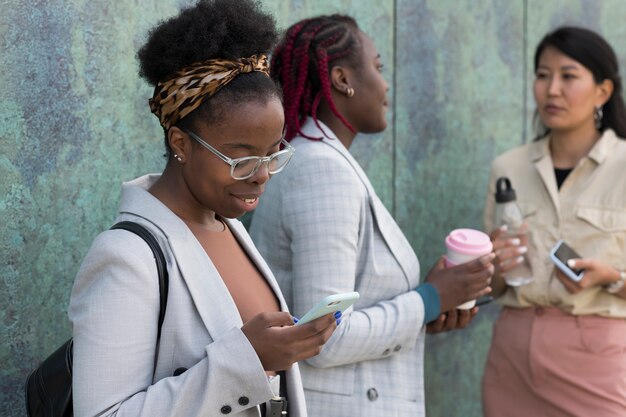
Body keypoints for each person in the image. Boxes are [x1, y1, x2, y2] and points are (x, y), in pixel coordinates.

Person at [68, 1, 338, 416]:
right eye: (242, 159)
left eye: (272, 154)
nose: (262, 174)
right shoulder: (126, 258)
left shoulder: (228, 227)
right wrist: (250, 360)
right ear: (180, 144)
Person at [248, 15, 494, 417]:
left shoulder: (319, 159)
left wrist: (429, 309)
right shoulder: (322, 170)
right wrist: (429, 300)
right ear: (342, 78)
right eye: (378, 68)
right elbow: (324, 335)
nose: (386, 84)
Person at [482, 26, 626, 417]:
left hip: (597, 360)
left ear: (603, 91)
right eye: (543, 75)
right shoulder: (507, 167)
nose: (552, 89)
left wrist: (611, 277)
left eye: (568, 76)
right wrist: (492, 265)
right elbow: (489, 285)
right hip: (511, 358)